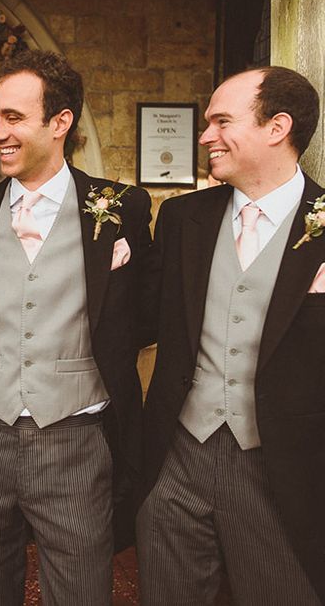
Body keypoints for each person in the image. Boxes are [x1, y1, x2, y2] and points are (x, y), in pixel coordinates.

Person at [0, 49, 153, 605]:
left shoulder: (120, 207)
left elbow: (145, 314)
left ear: (60, 123)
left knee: (81, 593)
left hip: (77, 440)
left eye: (12, 117)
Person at [137, 66, 324, 604]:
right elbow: (137, 316)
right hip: (178, 459)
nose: (204, 136)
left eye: (221, 121)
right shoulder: (181, 219)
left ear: (277, 127)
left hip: (285, 470)